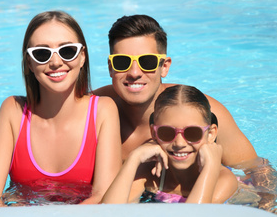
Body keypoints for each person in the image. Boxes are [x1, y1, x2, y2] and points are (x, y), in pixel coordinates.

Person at [94, 14, 277, 212]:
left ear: (164, 66)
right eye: (122, 62)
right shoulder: (95, 111)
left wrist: (269, 206)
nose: (134, 72)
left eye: (147, 62)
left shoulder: (201, 112)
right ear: (110, 67)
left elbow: (256, 167)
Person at [0, 11, 122, 207]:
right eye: (42, 53)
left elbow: (102, 196)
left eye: (67, 51)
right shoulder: (13, 111)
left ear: (82, 57)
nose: (55, 62)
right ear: (29, 62)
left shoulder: (103, 111)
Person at [102, 85, 238, 204]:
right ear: (154, 133)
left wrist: (211, 167)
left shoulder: (223, 179)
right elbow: (107, 213)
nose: (179, 143)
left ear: (211, 134)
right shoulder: (150, 174)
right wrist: (134, 158)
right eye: (167, 133)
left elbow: (195, 215)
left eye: (192, 133)